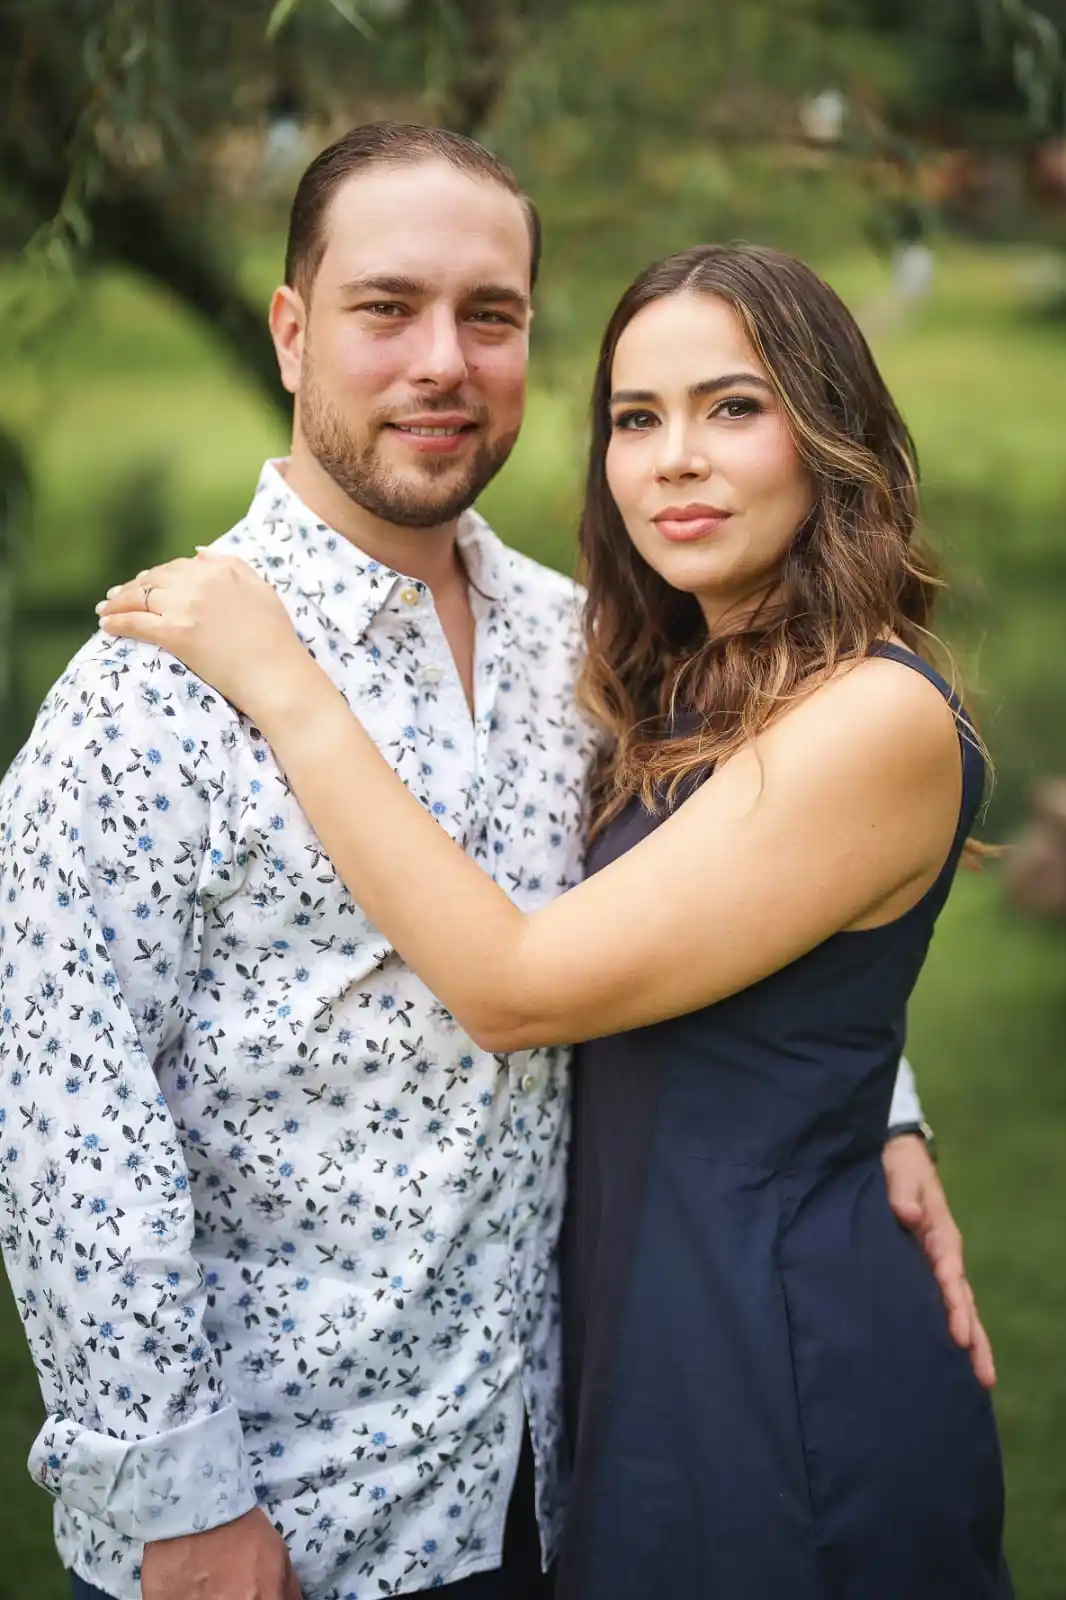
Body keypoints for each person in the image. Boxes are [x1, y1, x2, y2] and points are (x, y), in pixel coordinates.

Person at [0, 124, 984, 1600]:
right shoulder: (152, 692)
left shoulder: (575, 647)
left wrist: (872, 1105)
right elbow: (69, 1130)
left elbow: (731, 883)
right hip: (292, 1508)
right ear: (291, 330)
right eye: (385, 309)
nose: (443, 363)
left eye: (493, 317)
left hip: (546, 1465)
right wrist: (172, 1497)